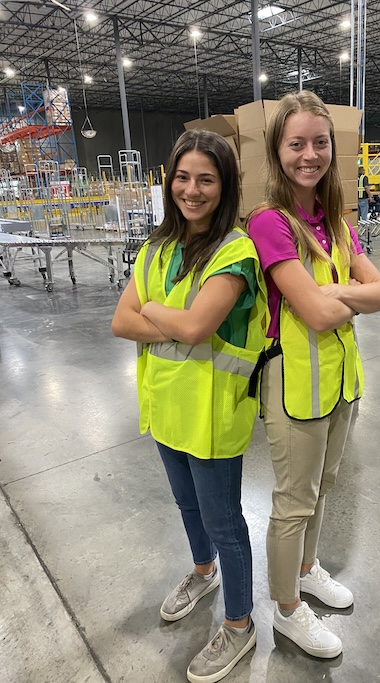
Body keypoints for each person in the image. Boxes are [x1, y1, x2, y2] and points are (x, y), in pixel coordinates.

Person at [111, 129, 267, 683]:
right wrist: (158, 316)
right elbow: (118, 322)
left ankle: (241, 625)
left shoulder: (235, 250)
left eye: (206, 179)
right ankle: (203, 572)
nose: (192, 190)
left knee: (226, 523)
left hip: (213, 412)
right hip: (165, 408)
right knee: (188, 509)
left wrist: (150, 307)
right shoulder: (156, 248)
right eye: (183, 176)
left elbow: (199, 325)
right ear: (168, 178)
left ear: (224, 187)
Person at [247, 91, 380, 659]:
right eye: (296, 144)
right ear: (278, 151)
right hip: (293, 386)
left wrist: (335, 292)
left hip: (339, 382)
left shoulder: (336, 220)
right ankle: (286, 610)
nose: (310, 155)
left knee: (324, 487)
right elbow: (315, 312)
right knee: (292, 500)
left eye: (320, 142)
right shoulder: (270, 223)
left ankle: (307, 570)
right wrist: (342, 295)